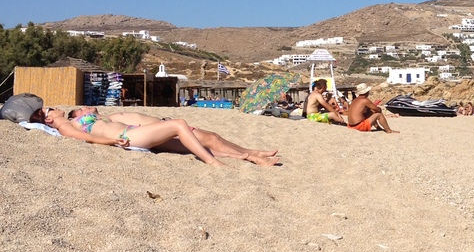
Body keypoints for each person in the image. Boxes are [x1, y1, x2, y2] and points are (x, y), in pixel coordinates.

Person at [14, 95, 284, 166]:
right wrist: (111, 142)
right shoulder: (66, 123)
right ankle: (214, 163)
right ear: (48, 120)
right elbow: (82, 137)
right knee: (179, 125)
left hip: (133, 132)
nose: (54, 109)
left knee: (206, 139)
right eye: (49, 110)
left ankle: (249, 155)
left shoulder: (70, 120)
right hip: (129, 137)